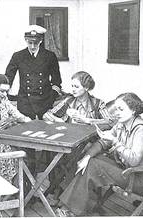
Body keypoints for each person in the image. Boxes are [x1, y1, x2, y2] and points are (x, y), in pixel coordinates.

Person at [56, 93, 143, 216]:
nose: (116, 112)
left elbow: (134, 160)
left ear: (133, 111)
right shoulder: (122, 123)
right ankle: (77, 205)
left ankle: (71, 209)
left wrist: (115, 141)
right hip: (127, 169)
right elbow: (103, 142)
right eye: (116, 109)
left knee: (94, 165)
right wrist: (86, 157)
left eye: (121, 109)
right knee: (88, 159)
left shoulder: (141, 130)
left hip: (139, 178)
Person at [42, 71, 115, 204]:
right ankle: (59, 188)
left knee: (79, 154)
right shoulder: (68, 101)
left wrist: (87, 120)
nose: (73, 90)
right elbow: (46, 115)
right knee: (55, 152)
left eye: (76, 87)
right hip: (69, 141)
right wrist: (59, 121)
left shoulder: (98, 103)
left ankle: (60, 191)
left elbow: (110, 122)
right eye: (72, 86)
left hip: (89, 143)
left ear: (86, 88)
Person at [5, 24, 62, 120]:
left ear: (41, 41)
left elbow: (57, 81)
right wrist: (5, 93)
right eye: (29, 42)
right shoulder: (18, 56)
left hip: (45, 103)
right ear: (25, 40)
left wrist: (50, 99)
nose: (32, 46)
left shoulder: (50, 56)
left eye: (35, 43)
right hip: (25, 103)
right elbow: (8, 79)